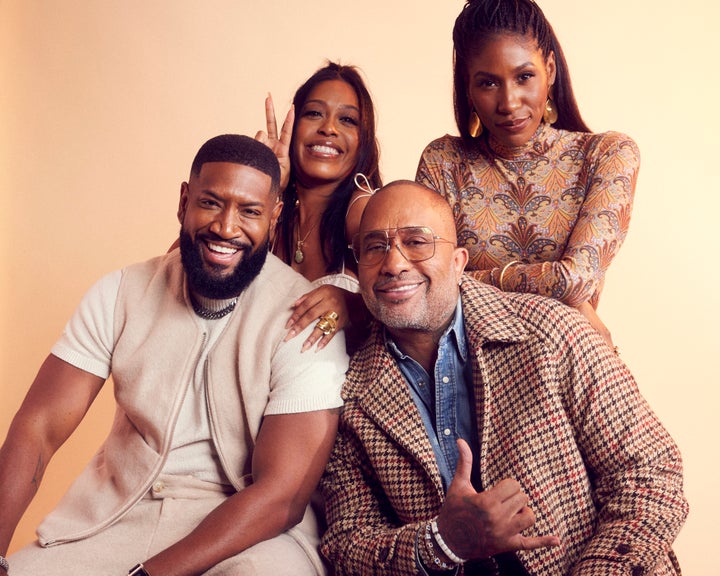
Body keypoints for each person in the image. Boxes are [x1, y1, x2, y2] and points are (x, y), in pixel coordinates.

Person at [0, 134, 348, 576]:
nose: (226, 227)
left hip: (249, 535)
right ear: (184, 202)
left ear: (274, 218)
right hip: (116, 515)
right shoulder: (120, 292)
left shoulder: (304, 316)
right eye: (211, 203)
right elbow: (37, 428)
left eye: (250, 211)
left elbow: (282, 496)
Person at [320, 180, 687, 575]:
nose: (393, 264)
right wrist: (441, 543)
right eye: (374, 247)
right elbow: (346, 541)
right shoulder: (348, 390)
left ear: (459, 261)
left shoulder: (552, 331)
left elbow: (651, 475)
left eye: (417, 241)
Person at [415, 0, 640, 348]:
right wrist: (561, 291)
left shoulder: (606, 155)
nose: (509, 102)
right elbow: (425, 288)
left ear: (549, 69)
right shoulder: (443, 163)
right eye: (488, 83)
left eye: (524, 77)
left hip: (568, 370)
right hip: (464, 375)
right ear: (468, 88)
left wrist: (466, 276)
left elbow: (575, 280)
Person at [257, 61, 382, 353]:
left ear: (363, 139)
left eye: (347, 120)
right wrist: (265, 187)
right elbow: (181, 263)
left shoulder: (363, 210)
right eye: (314, 114)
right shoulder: (273, 213)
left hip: (347, 395)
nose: (328, 128)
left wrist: (353, 304)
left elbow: (414, 286)